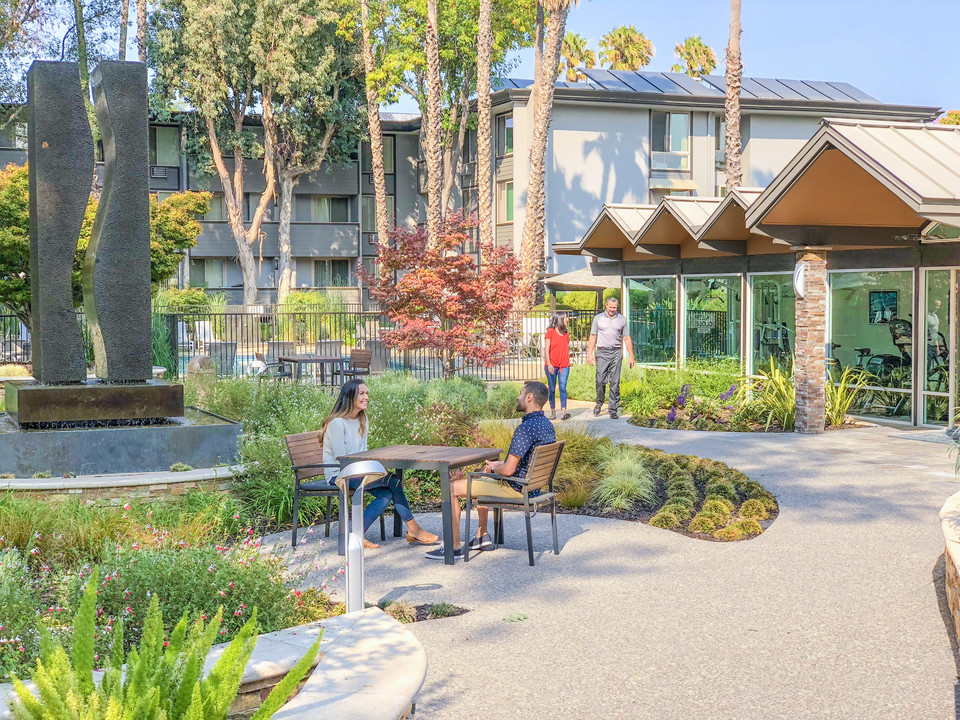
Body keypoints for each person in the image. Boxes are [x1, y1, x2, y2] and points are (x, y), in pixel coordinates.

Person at [427, 381, 555, 560]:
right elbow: (525, 462)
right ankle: (481, 535)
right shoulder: (547, 425)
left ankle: (453, 547)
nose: (518, 397)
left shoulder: (525, 428)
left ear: (529, 397)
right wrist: (496, 466)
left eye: (520, 393)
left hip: (516, 489)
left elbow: (509, 470)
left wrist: (495, 471)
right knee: (482, 476)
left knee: (451, 488)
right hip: (532, 487)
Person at [322, 379, 438, 549]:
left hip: (357, 471)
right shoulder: (337, 423)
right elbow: (343, 460)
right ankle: (414, 530)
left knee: (387, 494)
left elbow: (363, 451)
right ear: (350, 397)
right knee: (393, 481)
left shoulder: (362, 420)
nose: (366, 397)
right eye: (362, 393)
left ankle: (357, 535)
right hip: (339, 474)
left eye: (367, 393)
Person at [587, 296, 635, 419]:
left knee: (614, 382)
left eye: (614, 307)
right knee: (600, 380)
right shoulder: (598, 319)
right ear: (606, 306)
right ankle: (599, 403)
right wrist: (590, 354)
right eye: (610, 307)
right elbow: (593, 336)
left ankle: (613, 409)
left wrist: (631, 356)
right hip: (602, 352)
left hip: (616, 352)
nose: (612, 309)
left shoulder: (622, 320)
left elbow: (627, 338)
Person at [543, 312, 571, 421]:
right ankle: (553, 411)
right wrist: (549, 364)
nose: (567, 319)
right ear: (560, 319)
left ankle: (563, 412)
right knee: (552, 389)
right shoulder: (550, 332)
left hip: (564, 364)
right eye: (565, 318)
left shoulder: (566, 333)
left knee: (563, 387)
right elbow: (546, 349)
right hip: (552, 365)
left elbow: (565, 347)